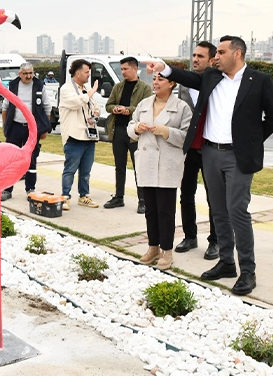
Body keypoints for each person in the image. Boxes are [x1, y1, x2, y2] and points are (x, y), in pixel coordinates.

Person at [147, 35, 273, 296]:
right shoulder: (211, 76)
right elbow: (187, 77)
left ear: (238, 54)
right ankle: (226, 262)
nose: (216, 57)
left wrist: (250, 142)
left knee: (237, 211)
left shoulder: (259, 81)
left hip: (238, 157)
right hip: (210, 152)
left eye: (221, 52)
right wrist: (162, 68)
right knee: (218, 210)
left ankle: (248, 271)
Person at [128, 74, 191, 270]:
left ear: (172, 83)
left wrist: (167, 132)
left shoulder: (181, 107)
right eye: (154, 79)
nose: (155, 82)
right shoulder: (144, 104)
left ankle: (167, 251)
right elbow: (130, 128)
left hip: (167, 164)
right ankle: (152, 247)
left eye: (161, 79)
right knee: (151, 210)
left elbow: (187, 137)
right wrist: (137, 127)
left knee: (165, 211)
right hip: (147, 162)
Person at [175, 41, 219, 260]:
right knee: (186, 194)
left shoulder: (218, 82)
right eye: (193, 55)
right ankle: (190, 236)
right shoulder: (184, 84)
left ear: (212, 60)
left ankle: (215, 241)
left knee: (214, 198)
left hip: (211, 148)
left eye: (200, 56)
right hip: (189, 148)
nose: (195, 59)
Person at [103, 56, 153, 214]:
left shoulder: (145, 88)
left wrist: (129, 110)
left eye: (125, 69)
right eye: (121, 69)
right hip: (118, 130)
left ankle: (143, 201)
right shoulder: (118, 87)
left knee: (139, 167)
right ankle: (119, 197)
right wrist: (116, 108)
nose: (123, 72)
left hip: (136, 133)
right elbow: (108, 105)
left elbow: (146, 107)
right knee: (119, 166)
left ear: (134, 69)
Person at [0, 62, 52, 201]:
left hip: (33, 129)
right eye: (26, 74)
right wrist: (6, 126)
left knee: (31, 159)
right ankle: (7, 189)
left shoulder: (39, 86)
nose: (29, 76)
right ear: (20, 74)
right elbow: (5, 107)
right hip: (15, 127)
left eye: (31, 73)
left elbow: (47, 107)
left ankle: (30, 189)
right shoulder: (13, 86)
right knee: (11, 159)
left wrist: (45, 128)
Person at [59, 59, 101, 210]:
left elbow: (95, 106)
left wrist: (95, 114)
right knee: (70, 169)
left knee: (86, 170)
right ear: (78, 73)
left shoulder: (86, 89)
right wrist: (91, 92)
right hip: (74, 136)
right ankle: (65, 197)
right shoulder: (66, 89)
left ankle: (84, 196)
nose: (89, 75)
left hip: (89, 136)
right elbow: (76, 102)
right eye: (86, 72)